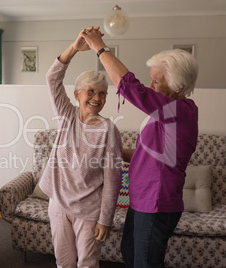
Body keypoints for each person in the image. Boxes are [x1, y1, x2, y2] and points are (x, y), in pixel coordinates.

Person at [82, 27, 199, 267]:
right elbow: (146, 155)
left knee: (144, 263)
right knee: (130, 254)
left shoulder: (180, 112)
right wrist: (111, 151)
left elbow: (131, 88)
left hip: (156, 204)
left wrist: (99, 48)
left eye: (156, 81)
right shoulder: (165, 117)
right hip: (141, 201)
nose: (151, 85)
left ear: (177, 87)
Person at [39, 29, 123, 268]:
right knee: (63, 262)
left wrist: (105, 220)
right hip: (58, 204)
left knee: (87, 263)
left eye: (103, 94)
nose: (97, 97)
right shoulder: (67, 116)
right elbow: (52, 78)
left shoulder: (109, 130)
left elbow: (112, 179)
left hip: (89, 210)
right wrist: (74, 47)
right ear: (77, 94)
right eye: (91, 91)